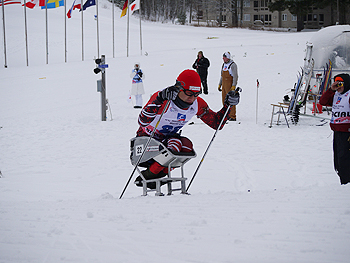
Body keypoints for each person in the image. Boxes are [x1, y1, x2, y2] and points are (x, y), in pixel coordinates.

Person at [134, 69, 240, 189]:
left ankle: (153, 176)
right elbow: (142, 121)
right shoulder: (164, 98)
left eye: (196, 94)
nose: (192, 98)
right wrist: (159, 99)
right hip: (144, 143)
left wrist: (228, 106)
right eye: (189, 93)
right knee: (176, 144)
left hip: (166, 144)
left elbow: (216, 123)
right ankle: (148, 177)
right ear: (179, 88)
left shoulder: (197, 104)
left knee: (186, 146)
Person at [319, 73, 350, 185]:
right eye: (337, 83)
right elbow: (322, 102)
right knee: (338, 160)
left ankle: (346, 182)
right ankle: (343, 180)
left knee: (344, 158)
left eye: (341, 84)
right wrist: (331, 90)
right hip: (337, 132)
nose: (339, 86)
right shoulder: (335, 95)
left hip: (347, 133)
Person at [218, 52, 238, 121]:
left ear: (228, 57)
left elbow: (235, 76)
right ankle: (226, 114)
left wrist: (234, 85)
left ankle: (232, 115)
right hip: (224, 84)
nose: (223, 58)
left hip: (229, 84)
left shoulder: (233, 65)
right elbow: (222, 76)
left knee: (231, 100)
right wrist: (220, 84)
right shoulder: (224, 65)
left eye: (224, 57)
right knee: (224, 100)